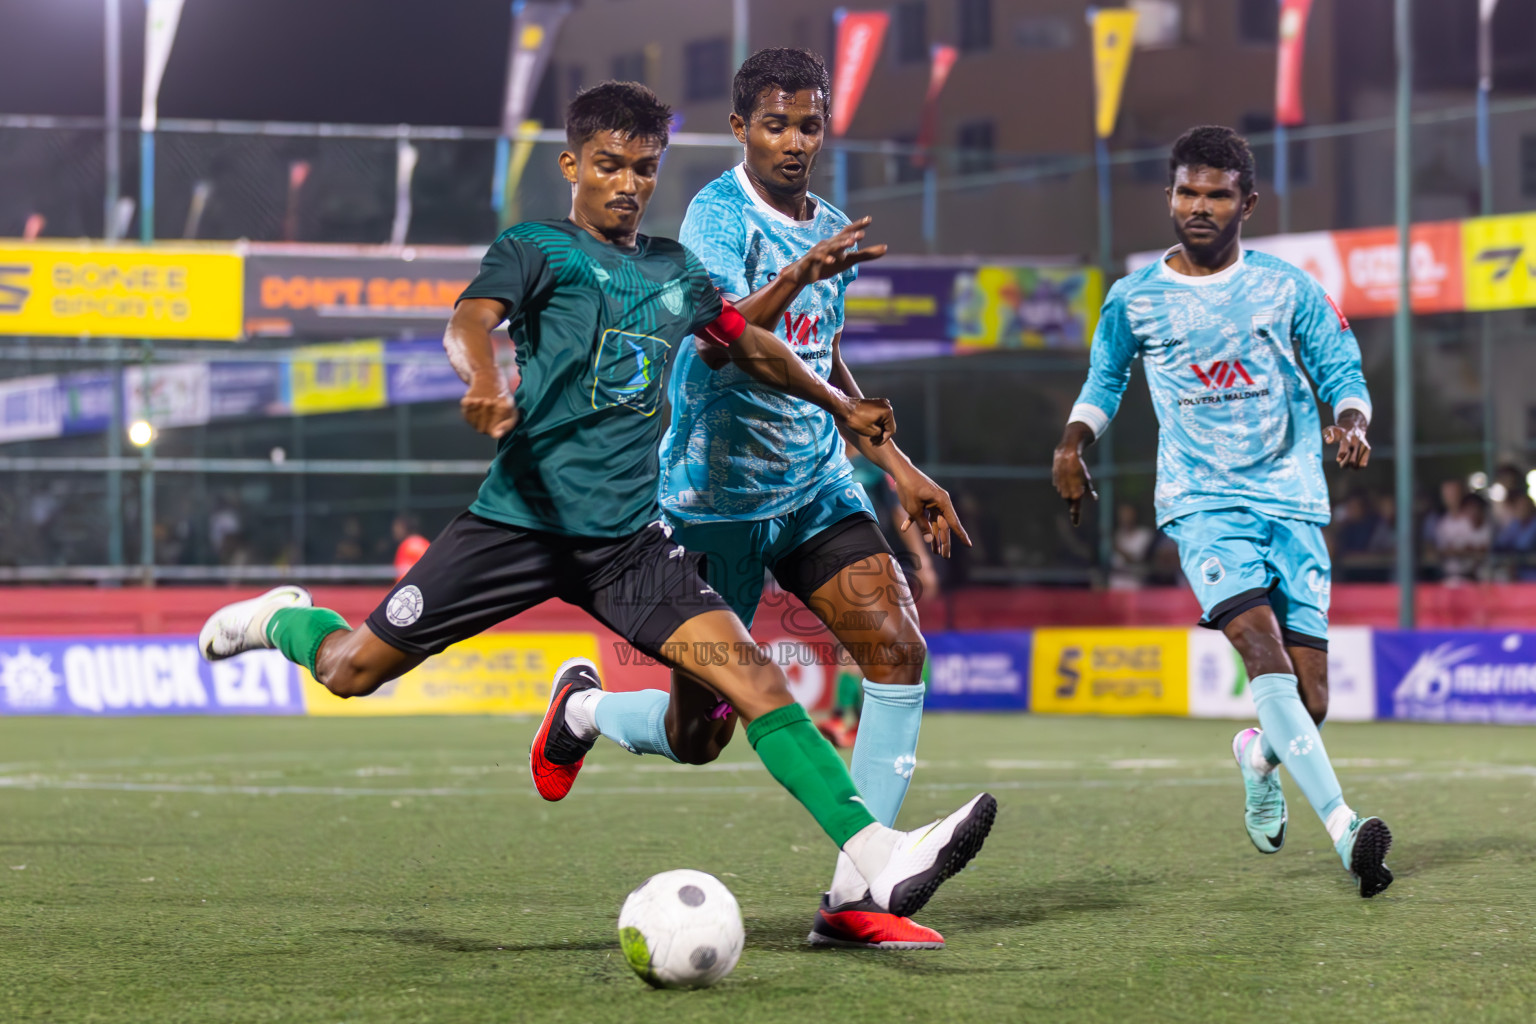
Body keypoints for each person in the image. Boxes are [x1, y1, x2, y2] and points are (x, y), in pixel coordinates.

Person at [198, 81, 994, 919]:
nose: (627, 185)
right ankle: (281, 616)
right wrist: (485, 377)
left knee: (755, 683)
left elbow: (750, 348)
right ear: (573, 164)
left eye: (644, 170)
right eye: (610, 166)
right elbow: (469, 321)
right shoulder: (538, 248)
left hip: (628, 547)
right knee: (349, 670)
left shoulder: (674, 271)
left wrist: (844, 408)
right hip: (516, 528)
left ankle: (878, 857)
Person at [530, 50, 972, 950]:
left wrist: (903, 471)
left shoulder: (835, 226)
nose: (795, 141)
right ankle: (582, 709)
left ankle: (858, 895)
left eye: (809, 124)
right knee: (701, 735)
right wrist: (802, 273)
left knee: (896, 648)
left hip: (813, 485)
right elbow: (726, 341)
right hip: (710, 500)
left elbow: (823, 354)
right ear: (741, 129)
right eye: (776, 124)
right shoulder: (714, 217)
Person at [1051, 125, 1393, 898]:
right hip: (1203, 504)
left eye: (1216, 195)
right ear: (1170, 196)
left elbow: (1343, 369)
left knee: (1311, 702)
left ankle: (1257, 755)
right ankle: (1345, 829)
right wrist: (1073, 443)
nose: (1198, 207)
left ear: (1248, 202)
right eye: (1186, 192)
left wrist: (1352, 423)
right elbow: (1105, 382)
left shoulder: (1287, 286)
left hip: (1294, 497)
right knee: (1259, 647)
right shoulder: (1133, 298)